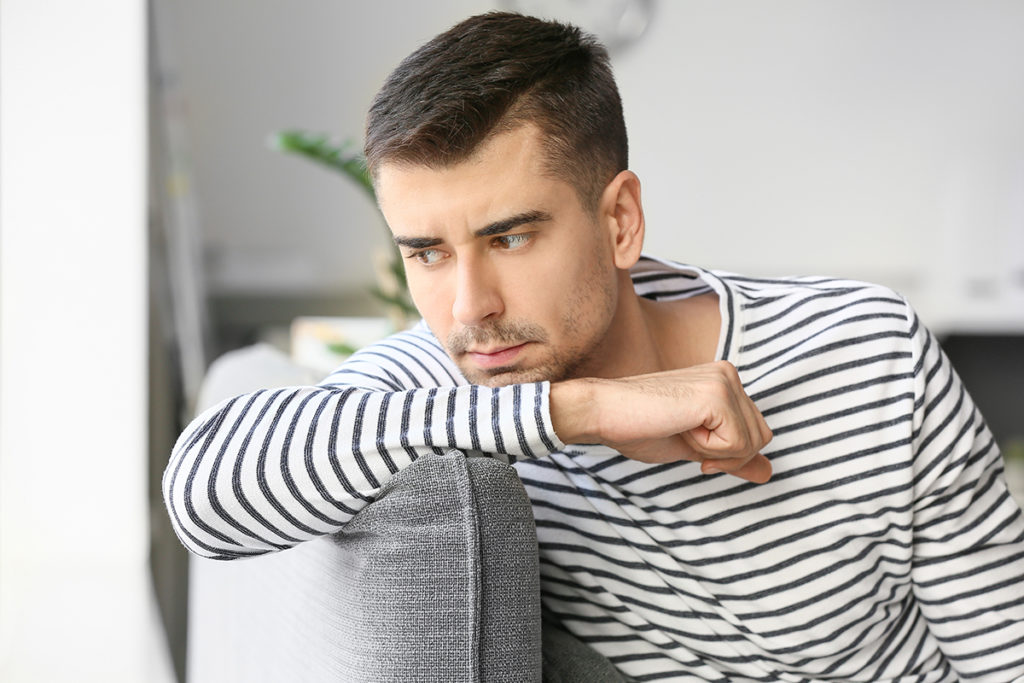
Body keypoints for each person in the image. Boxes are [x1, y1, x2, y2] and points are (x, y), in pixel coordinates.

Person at [164, 12, 1024, 681]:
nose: (469, 306)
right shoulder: (452, 389)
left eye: (509, 238)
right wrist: (581, 410)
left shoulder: (865, 354)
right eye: (425, 252)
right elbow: (204, 492)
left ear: (618, 220)